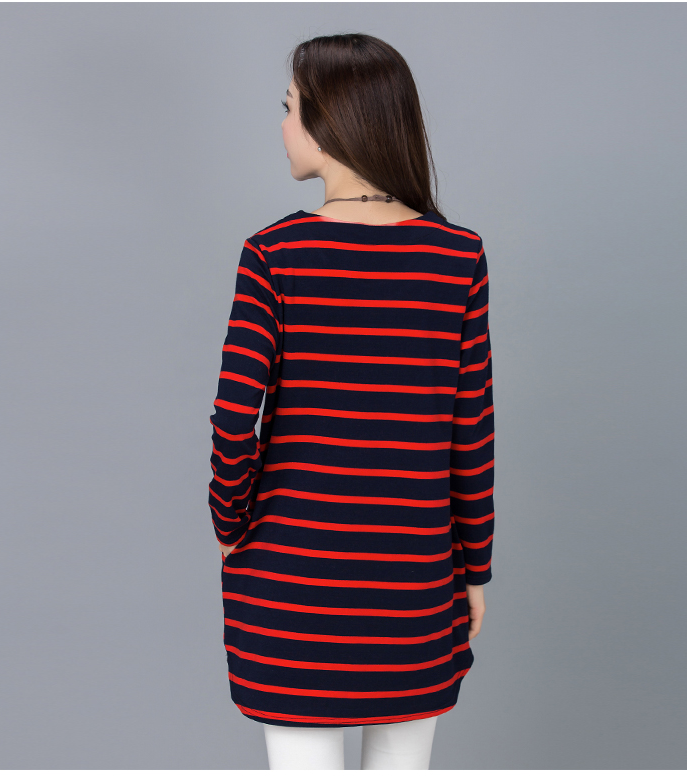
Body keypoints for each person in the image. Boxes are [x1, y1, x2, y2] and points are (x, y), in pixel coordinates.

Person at [208, 33, 493, 770]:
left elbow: (236, 420)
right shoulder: (457, 257)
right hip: (414, 586)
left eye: (289, 107)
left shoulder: (273, 254)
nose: (282, 126)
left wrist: (228, 523)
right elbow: (470, 436)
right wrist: (474, 570)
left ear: (331, 120)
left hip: (290, 585)